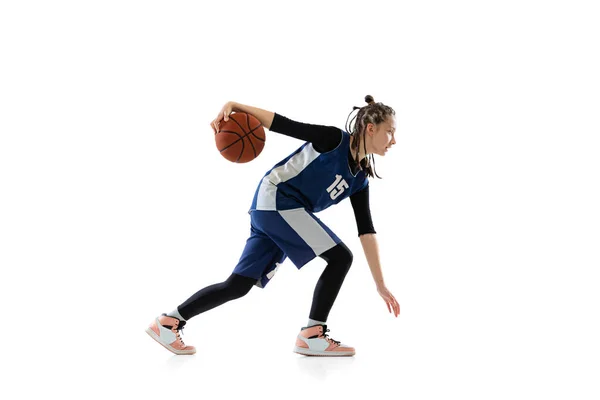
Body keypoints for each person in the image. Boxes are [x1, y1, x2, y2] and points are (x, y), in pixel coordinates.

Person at [145, 95, 400, 357]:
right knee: (340, 258)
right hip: (276, 200)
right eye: (390, 132)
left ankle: (168, 322)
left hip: (276, 211)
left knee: (238, 285)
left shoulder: (360, 179)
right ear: (371, 128)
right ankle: (313, 334)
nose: (393, 140)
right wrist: (236, 105)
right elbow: (283, 124)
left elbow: (366, 231)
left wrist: (380, 285)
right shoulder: (333, 140)